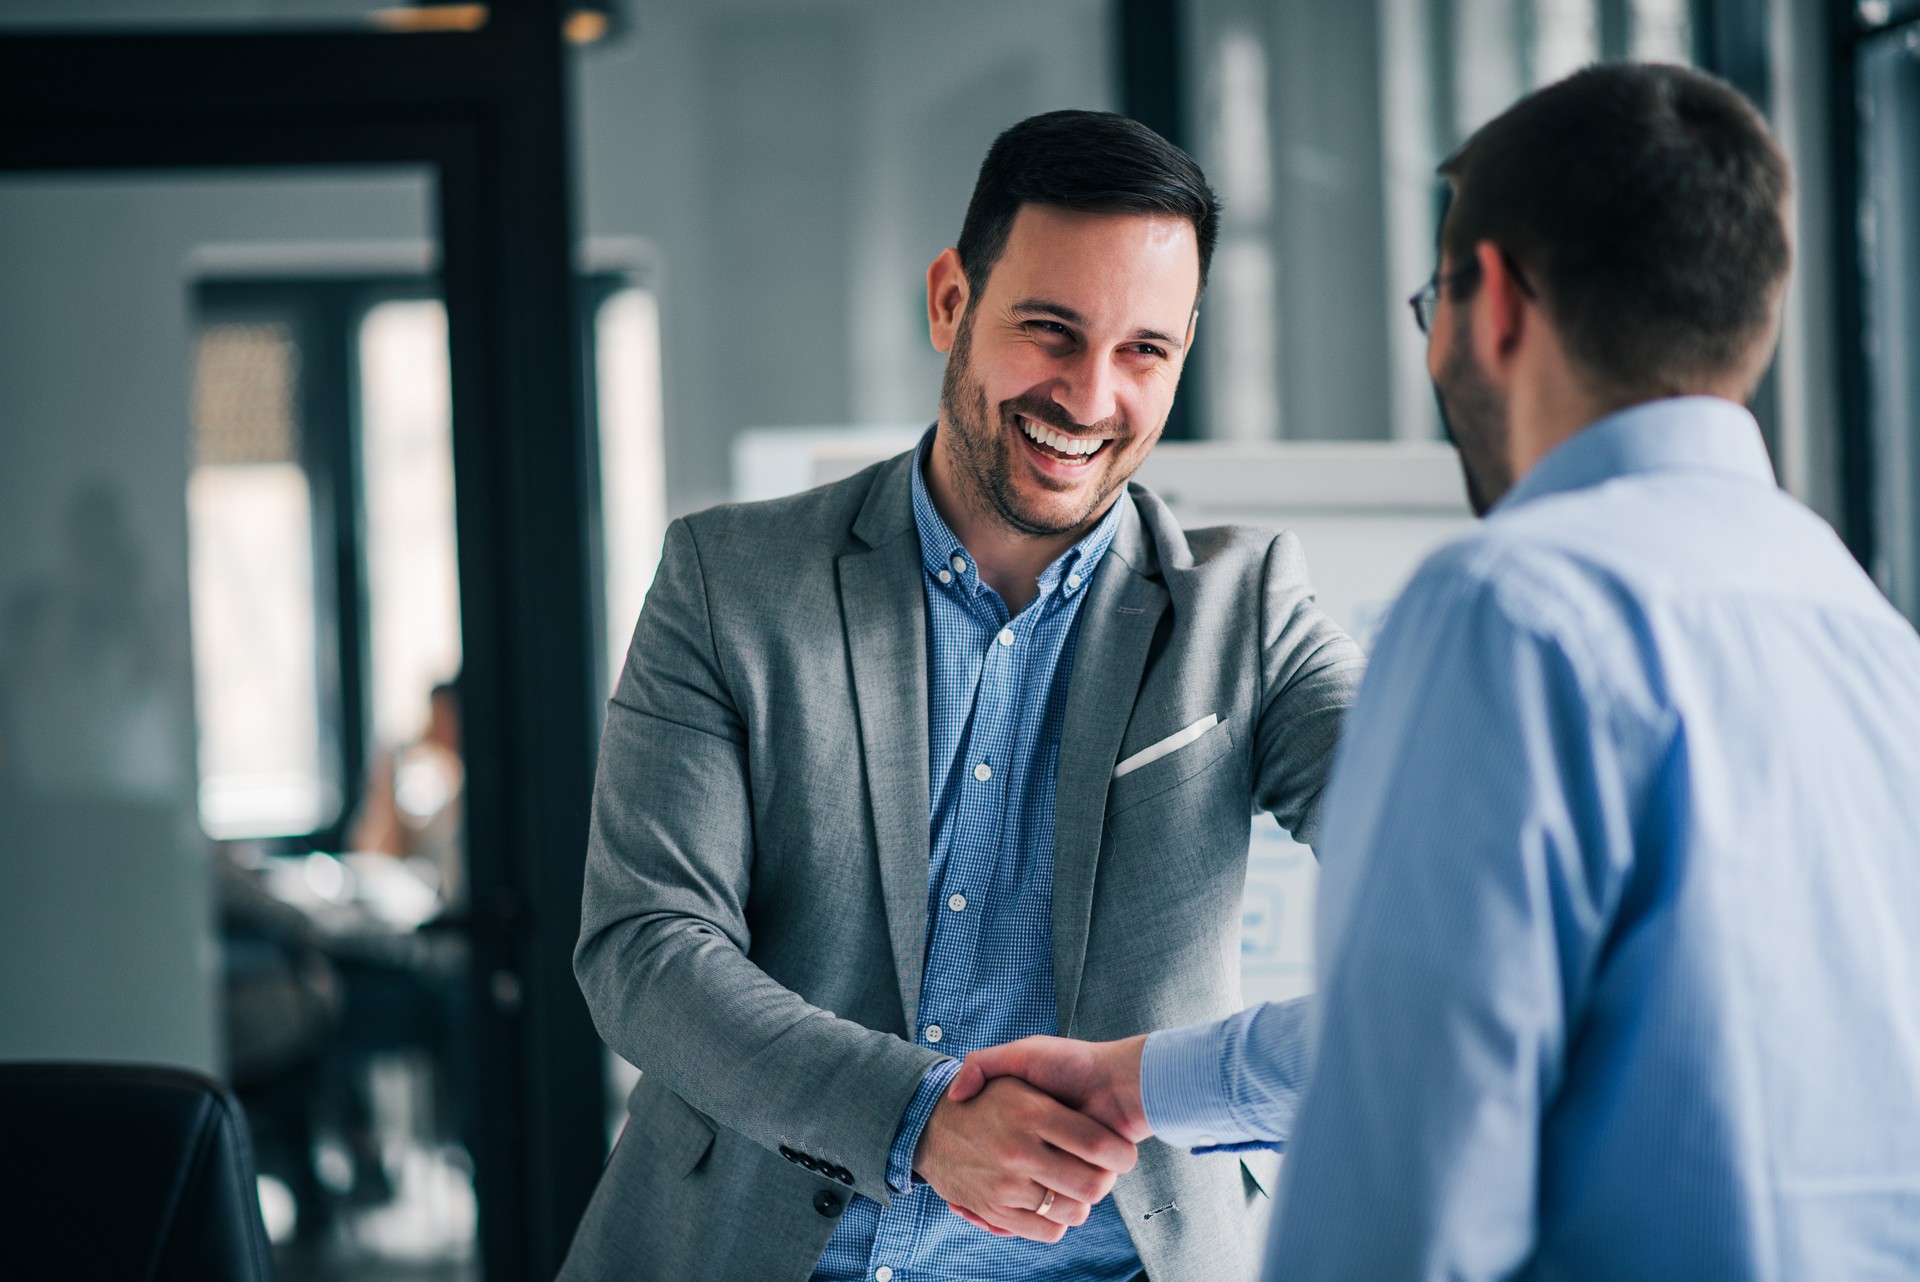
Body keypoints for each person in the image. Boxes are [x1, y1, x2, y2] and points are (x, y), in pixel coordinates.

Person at [950, 64, 1920, 1279]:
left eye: (1434, 303)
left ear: (1496, 302)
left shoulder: (1513, 611)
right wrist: (1142, 1081)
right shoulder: (1871, 636)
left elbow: (1405, 1152)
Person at [559, 110, 1365, 1282]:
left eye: (1145, 352)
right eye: (1051, 330)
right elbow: (645, 948)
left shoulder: (1247, 613)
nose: (1090, 397)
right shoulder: (729, 582)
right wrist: (918, 1117)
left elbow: (1452, 885)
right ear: (951, 301)